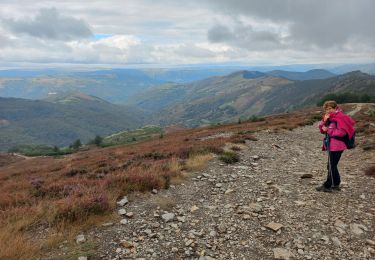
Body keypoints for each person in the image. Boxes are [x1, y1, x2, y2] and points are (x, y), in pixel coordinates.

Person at [316, 100, 355, 192]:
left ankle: (328, 186)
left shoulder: (341, 117)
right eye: (326, 109)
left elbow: (342, 132)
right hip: (331, 145)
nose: (328, 111)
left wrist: (328, 130)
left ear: (335, 108)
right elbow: (322, 130)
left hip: (337, 145)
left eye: (330, 108)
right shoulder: (330, 118)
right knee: (332, 165)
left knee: (331, 165)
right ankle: (336, 184)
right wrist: (324, 121)